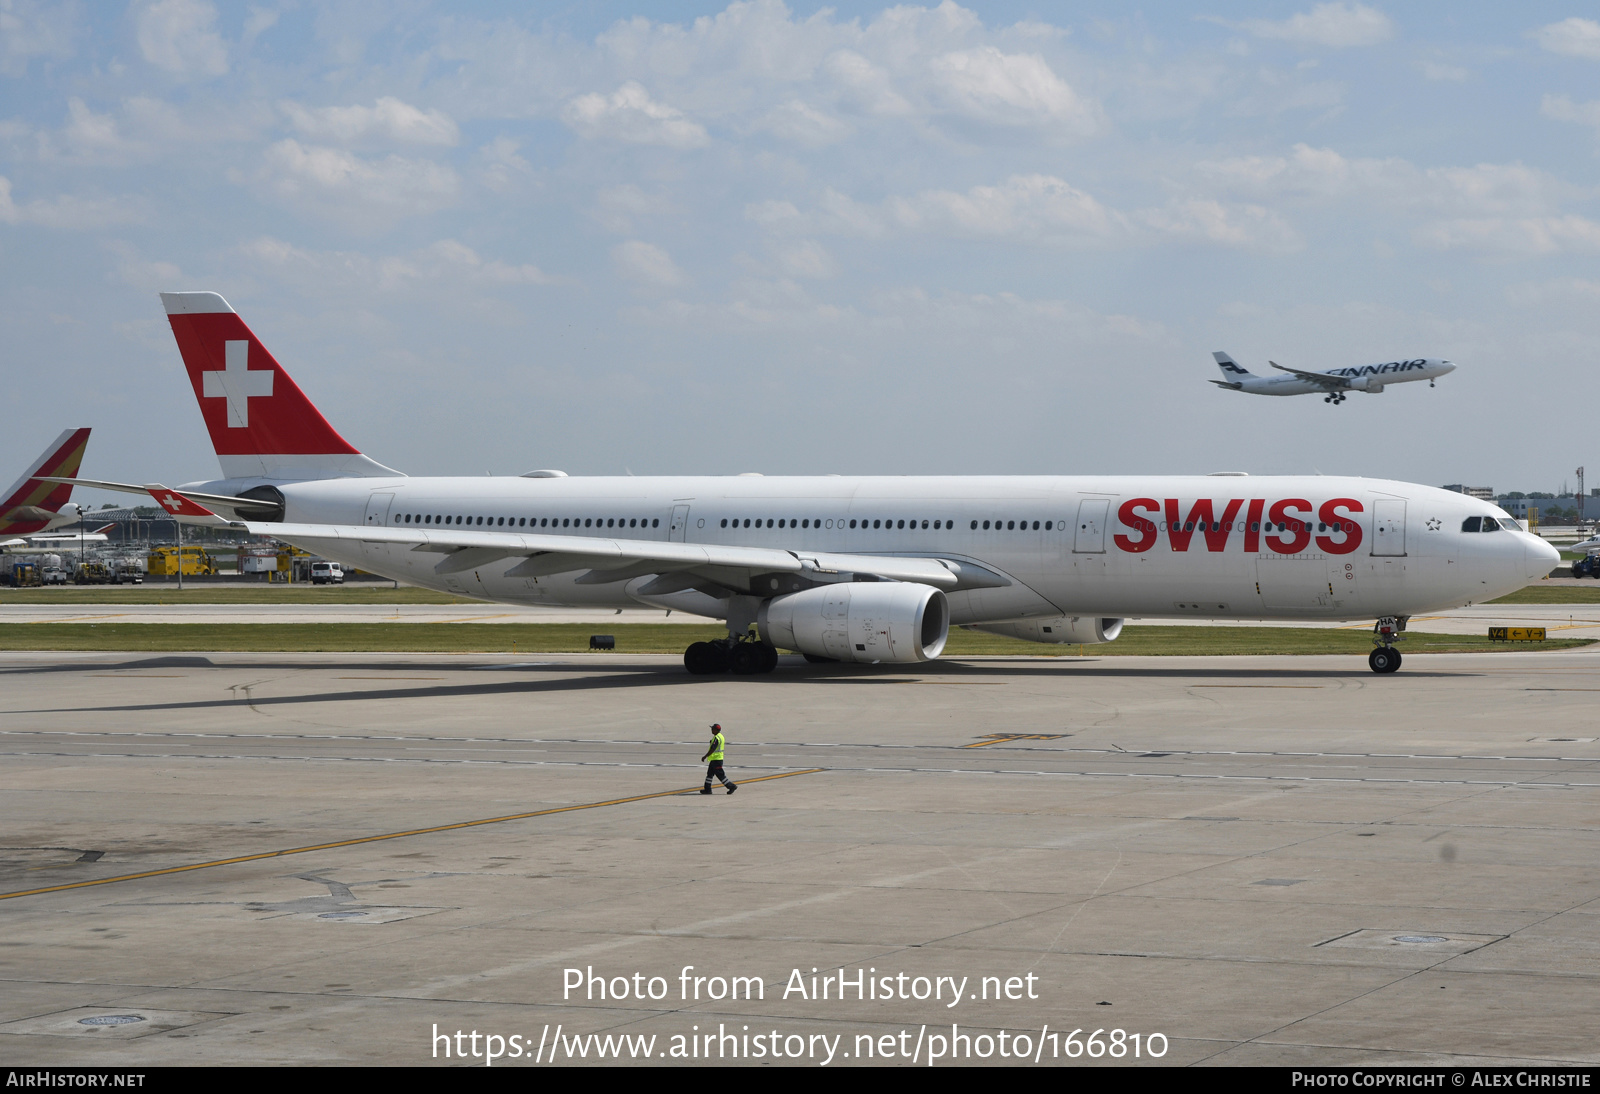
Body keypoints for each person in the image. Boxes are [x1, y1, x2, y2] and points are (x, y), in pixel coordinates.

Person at [700, 723, 736, 795]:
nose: (711, 730)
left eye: (712, 729)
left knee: (720, 775)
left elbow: (713, 749)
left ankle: (731, 786)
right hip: (715, 759)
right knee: (709, 774)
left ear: (716, 730)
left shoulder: (717, 738)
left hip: (717, 760)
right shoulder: (720, 736)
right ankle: (707, 789)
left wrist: (705, 756)